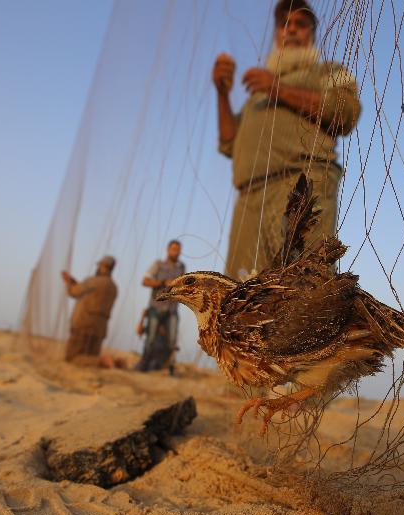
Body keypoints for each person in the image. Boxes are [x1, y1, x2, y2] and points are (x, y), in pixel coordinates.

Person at [213, 0, 361, 281]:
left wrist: (276, 88)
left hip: (302, 187)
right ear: (276, 33)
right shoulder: (256, 94)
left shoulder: (327, 70)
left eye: (300, 24)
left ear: (311, 33)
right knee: (239, 298)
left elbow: (346, 112)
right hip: (250, 202)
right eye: (284, 24)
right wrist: (221, 93)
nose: (291, 29)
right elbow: (229, 144)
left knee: (303, 290)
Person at [136, 240, 186, 372]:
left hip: (172, 309)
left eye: (178, 249)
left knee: (172, 340)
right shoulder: (158, 264)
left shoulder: (181, 268)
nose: (175, 252)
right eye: (173, 249)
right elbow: (145, 281)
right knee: (150, 338)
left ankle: (167, 367)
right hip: (156, 307)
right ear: (168, 250)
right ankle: (143, 365)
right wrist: (163, 282)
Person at [61, 255, 118, 364]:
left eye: (99, 265)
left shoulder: (93, 281)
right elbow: (91, 295)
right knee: (90, 358)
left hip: (83, 326)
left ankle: (104, 361)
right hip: (100, 330)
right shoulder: (114, 287)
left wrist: (68, 282)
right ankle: (115, 362)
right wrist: (74, 282)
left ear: (103, 266)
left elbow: (73, 292)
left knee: (72, 358)